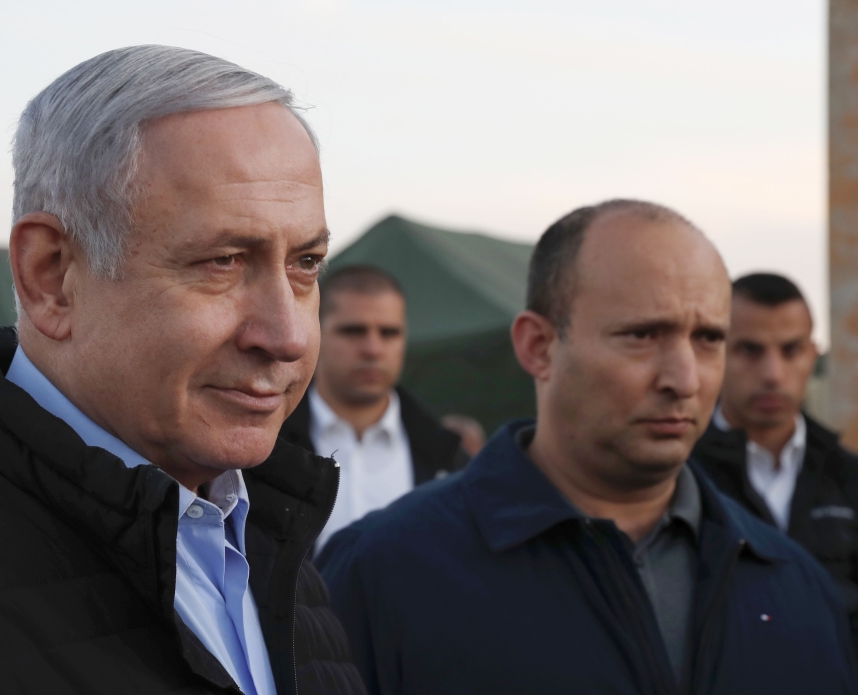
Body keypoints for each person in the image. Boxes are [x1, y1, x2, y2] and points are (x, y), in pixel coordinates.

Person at [0, 46, 365, 695]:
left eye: (306, 263)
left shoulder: (268, 540)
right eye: (223, 261)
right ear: (52, 277)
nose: (288, 335)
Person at [317, 199, 858, 694]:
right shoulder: (385, 573)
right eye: (643, 335)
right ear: (539, 346)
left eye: (709, 339)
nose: (685, 378)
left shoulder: (794, 586)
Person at [693, 273, 858, 641]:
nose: (772, 374)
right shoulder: (677, 474)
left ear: (813, 355)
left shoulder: (848, 476)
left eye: (791, 350)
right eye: (750, 350)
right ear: (716, 350)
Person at [279, 265, 468, 552]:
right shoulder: (266, 447)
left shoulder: (448, 459)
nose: (373, 349)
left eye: (389, 333)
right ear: (315, 331)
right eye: (353, 331)